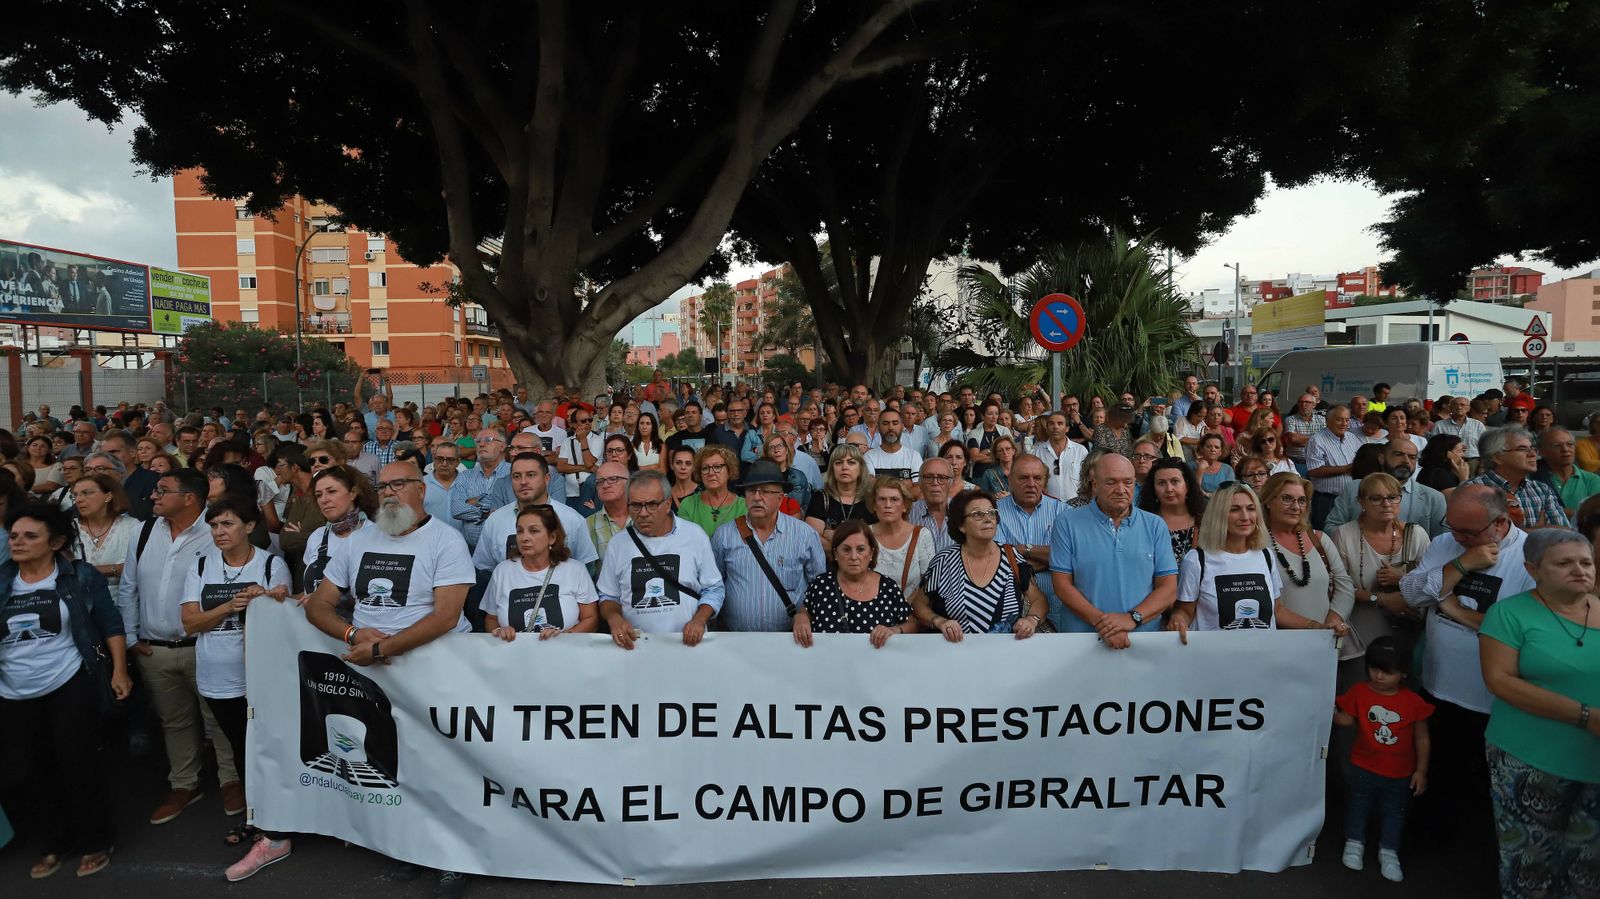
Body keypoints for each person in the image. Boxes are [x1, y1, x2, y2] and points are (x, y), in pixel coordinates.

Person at [300, 459, 475, 896]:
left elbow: (446, 616)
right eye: (384, 486)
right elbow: (318, 605)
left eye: (401, 484)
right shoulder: (359, 541)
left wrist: (381, 649)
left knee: (443, 767)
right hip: (377, 678)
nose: (391, 493)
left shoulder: (446, 541)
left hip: (432, 673)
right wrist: (352, 634)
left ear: (422, 489)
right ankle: (412, 847)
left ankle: (453, 858)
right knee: (396, 764)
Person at [1397, 484, 1535, 846]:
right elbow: (1412, 594)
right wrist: (1461, 564)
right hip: (1437, 682)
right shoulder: (1447, 544)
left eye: (1468, 532)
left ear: (1500, 523)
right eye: (1453, 527)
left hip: (1490, 695)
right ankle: (1430, 841)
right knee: (1438, 769)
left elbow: (1522, 633)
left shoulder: (1528, 557)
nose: (1457, 537)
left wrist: (1456, 610)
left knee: (1483, 778)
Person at [0, 502, 129, 880]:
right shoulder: (3, 579)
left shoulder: (79, 576)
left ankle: (96, 840)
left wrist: (119, 670)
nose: (17, 542)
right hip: (13, 691)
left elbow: (110, 623)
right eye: (14, 535)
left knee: (78, 761)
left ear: (55, 542)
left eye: (30, 536)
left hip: (69, 680)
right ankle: (55, 842)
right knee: (33, 769)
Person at [1478, 529, 1600, 899]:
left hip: (1593, 760)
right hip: (1530, 759)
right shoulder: (1509, 615)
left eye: (1586, 562)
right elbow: (1499, 681)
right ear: (1533, 569)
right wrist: (1585, 716)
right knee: (1531, 862)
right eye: (1564, 563)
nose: (1580, 570)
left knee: (1589, 864)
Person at [117, 467, 243, 823]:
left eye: (162, 490)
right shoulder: (143, 532)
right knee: (173, 721)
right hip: (153, 649)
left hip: (205, 646)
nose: (152, 496)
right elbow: (129, 587)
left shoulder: (215, 533)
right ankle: (184, 783)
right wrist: (131, 637)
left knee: (218, 718)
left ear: (189, 498)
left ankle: (232, 780)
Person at [178, 496, 293, 875]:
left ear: (249, 526)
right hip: (215, 677)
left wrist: (265, 600)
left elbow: (283, 620)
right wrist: (231, 606)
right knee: (239, 749)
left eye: (227, 524)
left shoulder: (271, 564)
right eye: (213, 526)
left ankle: (275, 825)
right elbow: (190, 623)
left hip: (258, 679)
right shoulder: (201, 565)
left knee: (264, 750)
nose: (219, 532)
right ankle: (256, 818)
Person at [1166, 483, 1336, 638]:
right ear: (1218, 515)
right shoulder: (1196, 560)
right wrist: (1178, 619)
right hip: (1215, 656)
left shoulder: (1266, 555)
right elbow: (1185, 611)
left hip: (1262, 656)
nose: (1245, 516)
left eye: (1251, 508)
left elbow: (1277, 610)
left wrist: (1317, 627)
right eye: (1234, 509)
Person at [1333, 633, 1432, 882]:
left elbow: (1422, 738)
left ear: (1404, 673)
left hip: (1401, 773)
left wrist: (1421, 771)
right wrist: (1329, 710)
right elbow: (1347, 720)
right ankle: (1354, 842)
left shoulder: (1414, 702)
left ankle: (1389, 851)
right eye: (1373, 669)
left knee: (1395, 812)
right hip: (1362, 765)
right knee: (1358, 805)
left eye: (1387, 672)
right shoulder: (1358, 691)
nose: (1378, 676)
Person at [1050, 453, 1177, 646]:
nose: (1121, 490)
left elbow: (1168, 588)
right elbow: (1062, 586)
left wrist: (1131, 619)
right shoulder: (1067, 523)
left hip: (1143, 641)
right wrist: (1108, 626)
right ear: (1094, 485)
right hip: (1083, 642)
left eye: (1128, 482)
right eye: (1111, 482)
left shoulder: (1155, 525)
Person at [595, 470, 725, 649]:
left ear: (668, 503)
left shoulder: (694, 535)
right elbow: (608, 595)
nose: (643, 513)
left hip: (687, 646)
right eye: (635, 506)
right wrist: (614, 618)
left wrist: (700, 619)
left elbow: (714, 589)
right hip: (635, 647)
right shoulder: (618, 544)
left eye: (652, 505)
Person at [910, 490, 1047, 641]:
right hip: (955, 649)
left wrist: (1031, 620)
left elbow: (1038, 600)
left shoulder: (1011, 556)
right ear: (961, 525)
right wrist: (939, 621)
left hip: (1005, 650)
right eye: (977, 514)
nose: (987, 519)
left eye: (991, 513)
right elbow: (918, 604)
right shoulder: (944, 560)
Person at [1330, 472, 1432, 676]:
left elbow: (1433, 583)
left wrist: (1402, 578)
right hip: (1360, 630)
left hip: (1407, 627)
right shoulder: (1344, 535)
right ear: (1361, 501)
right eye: (1376, 498)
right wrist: (1381, 599)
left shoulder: (1416, 534)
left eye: (1393, 497)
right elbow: (1335, 588)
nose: (1386, 504)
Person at [711, 461, 825, 633]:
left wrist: (805, 614)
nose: (757, 497)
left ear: (780, 499)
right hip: (736, 640)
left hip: (791, 640)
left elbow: (819, 586)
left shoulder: (804, 535)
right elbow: (713, 585)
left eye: (765, 491)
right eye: (751, 491)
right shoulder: (724, 535)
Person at [1259, 472, 1355, 641]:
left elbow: (1344, 585)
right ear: (1267, 501)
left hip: (1325, 640)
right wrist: (1314, 627)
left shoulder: (1319, 539)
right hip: (1278, 643)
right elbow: (1264, 603)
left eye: (1302, 500)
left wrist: (1331, 622)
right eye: (1287, 498)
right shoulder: (1256, 545)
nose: (1296, 507)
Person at [483, 504, 600, 639]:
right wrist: (500, 632)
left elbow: (591, 619)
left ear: (552, 537)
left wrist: (564, 637)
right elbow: (491, 619)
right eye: (520, 531)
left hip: (564, 651)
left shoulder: (575, 570)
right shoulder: (502, 571)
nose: (524, 538)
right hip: (514, 651)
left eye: (533, 531)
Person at [793, 520, 916, 648]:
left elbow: (912, 625)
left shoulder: (888, 588)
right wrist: (800, 618)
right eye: (846, 550)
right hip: (827, 659)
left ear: (871, 553)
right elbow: (804, 612)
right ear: (835, 553)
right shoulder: (821, 585)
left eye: (860, 549)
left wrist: (895, 630)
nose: (853, 556)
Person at [473, 453, 599, 574]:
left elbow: (587, 568)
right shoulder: (495, 521)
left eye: (531, 475)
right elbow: (484, 569)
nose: (523, 481)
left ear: (546, 479)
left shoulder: (572, 519)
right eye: (516, 476)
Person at [1324, 436, 1448, 537]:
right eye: (1399, 454)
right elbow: (1331, 527)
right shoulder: (1354, 488)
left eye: (1412, 457)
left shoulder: (1433, 498)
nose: (1406, 461)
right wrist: (1357, 543)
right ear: (1382, 458)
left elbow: (1441, 542)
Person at [298, 465, 378, 607]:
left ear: (353, 493)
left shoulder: (376, 536)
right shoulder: (317, 536)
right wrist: (282, 595)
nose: (324, 500)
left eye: (331, 491)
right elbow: (306, 593)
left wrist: (325, 600)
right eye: (319, 495)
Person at [1465, 425, 1571, 530]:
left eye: (1532, 448)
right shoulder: (1471, 490)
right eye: (1522, 449)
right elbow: (1473, 536)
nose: (1533, 454)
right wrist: (1535, 532)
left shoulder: (1541, 490)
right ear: (1498, 457)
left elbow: (1565, 534)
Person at [70, 473, 140, 596]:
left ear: (108, 496)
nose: (78, 500)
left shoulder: (131, 526)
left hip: (123, 600)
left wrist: (84, 571)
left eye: (86, 493)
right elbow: (63, 570)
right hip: (79, 601)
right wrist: (113, 569)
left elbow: (134, 569)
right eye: (75, 495)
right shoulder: (69, 528)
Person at [870, 477, 934, 596]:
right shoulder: (864, 535)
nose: (888, 505)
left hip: (910, 605)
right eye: (882, 499)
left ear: (905, 505)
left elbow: (929, 583)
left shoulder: (921, 535)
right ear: (874, 505)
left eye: (894, 499)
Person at [1138, 457, 1206, 568]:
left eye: (1175, 481)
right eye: (1161, 483)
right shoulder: (1144, 523)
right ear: (1153, 488)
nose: (1169, 489)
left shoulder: (1204, 521)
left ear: (1187, 485)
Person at [450, 427, 511, 551]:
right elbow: (456, 509)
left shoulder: (513, 472)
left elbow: (510, 506)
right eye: (478, 441)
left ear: (502, 446)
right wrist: (486, 511)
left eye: (488, 440)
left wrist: (474, 502)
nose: (481, 444)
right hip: (471, 552)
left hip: (506, 551)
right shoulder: (465, 476)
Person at [1307, 405, 1365, 530]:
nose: (1344, 423)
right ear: (1327, 420)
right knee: (1325, 535)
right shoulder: (1317, 440)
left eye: (1347, 420)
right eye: (1339, 419)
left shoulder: (1352, 438)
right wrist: (1346, 469)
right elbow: (1314, 471)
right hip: (1327, 500)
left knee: (1350, 534)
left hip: (1352, 498)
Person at [805, 444, 876, 546]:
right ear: (832, 469)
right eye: (838, 463)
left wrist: (833, 535)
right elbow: (813, 538)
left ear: (860, 468)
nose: (844, 467)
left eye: (851, 462)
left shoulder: (871, 499)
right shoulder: (821, 497)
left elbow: (875, 540)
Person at [676, 445, 747, 538]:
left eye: (717, 467)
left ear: (729, 471)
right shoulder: (688, 504)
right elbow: (683, 541)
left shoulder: (744, 506)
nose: (711, 473)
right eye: (705, 468)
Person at [1536, 426, 1600, 520]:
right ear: (1541, 451)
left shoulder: (1592, 480)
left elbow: (1595, 516)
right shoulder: (1531, 478)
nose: (1565, 449)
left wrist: (1552, 511)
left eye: (1570, 444)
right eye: (1557, 445)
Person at [555, 406, 604, 510]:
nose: (588, 423)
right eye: (583, 421)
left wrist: (583, 440)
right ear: (573, 424)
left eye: (590, 420)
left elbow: (589, 463)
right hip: (570, 491)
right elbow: (561, 467)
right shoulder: (567, 441)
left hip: (589, 489)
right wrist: (584, 468)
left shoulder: (597, 440)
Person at [863, 408, 922, 487]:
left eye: (895, 423)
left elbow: (918, 488)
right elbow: (871, 487)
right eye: (885, 423)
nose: (891, 427)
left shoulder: (914, 456)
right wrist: (907, 483)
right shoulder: (869, 457)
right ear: (878, 428)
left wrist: (880, 483)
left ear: (902, 426)